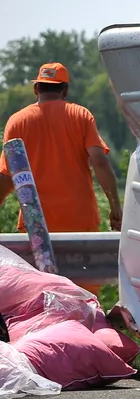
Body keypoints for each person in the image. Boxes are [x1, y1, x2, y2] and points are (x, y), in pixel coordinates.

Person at [0, 63, 123, 295]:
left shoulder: (17, 122)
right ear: (65, 91)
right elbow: (99, 161)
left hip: (36, 226)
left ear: (36, 89)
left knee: (42, 298)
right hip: (80, 223)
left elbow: (7, 176)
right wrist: (116, 207)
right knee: (84, 298)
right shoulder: (81, 115)